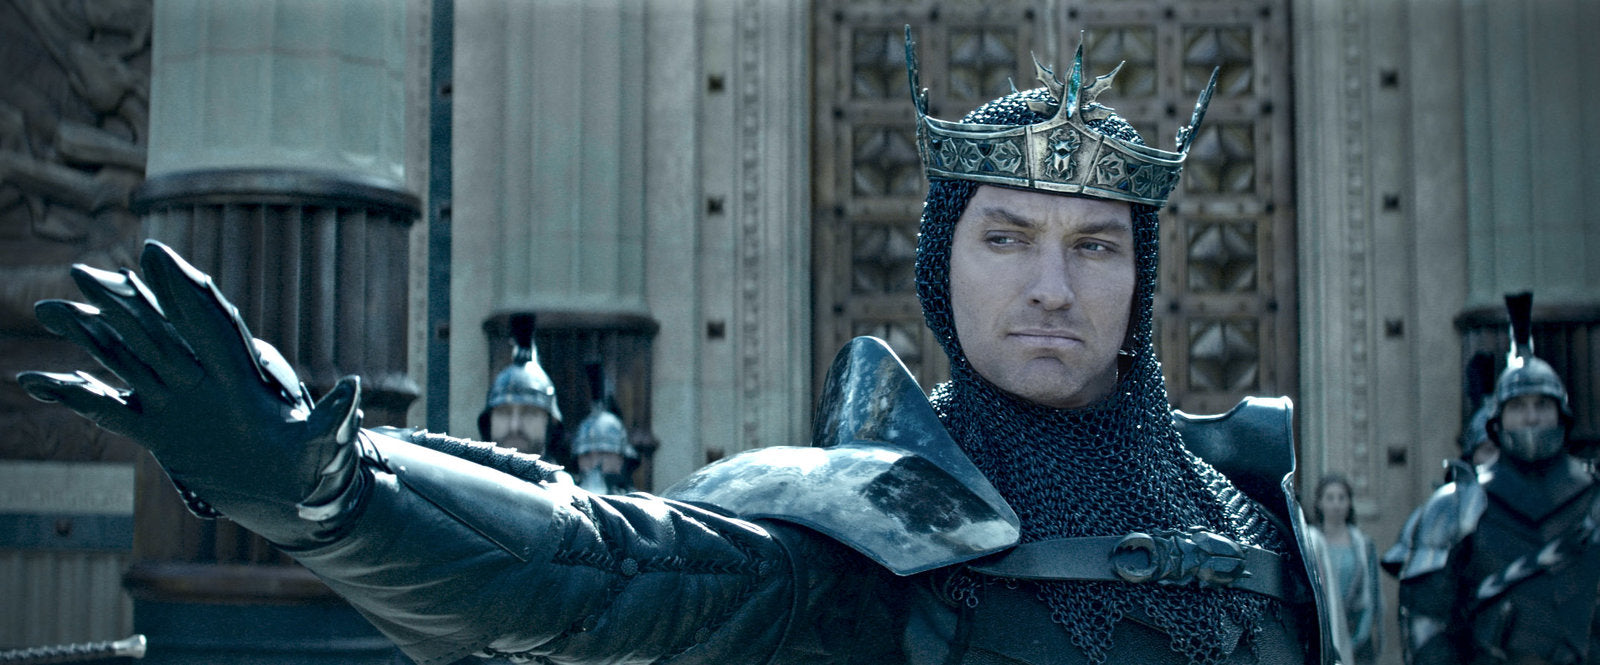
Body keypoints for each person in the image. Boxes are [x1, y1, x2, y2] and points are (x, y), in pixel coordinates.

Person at [15, 30, 1333, 665]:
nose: (1051, 285)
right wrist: (338, 495)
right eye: (1006, 237)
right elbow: (586, 564)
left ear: (1142, 281)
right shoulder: (862, 535)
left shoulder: (1270, 534)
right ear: (941, 268)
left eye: (1094, 245)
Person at [1387, 292, 1600, 664]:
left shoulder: (1594, 500)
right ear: (1497, 424)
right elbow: (1427, 622)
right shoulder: (1455, 505)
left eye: (1542, 405)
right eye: (1518, 406)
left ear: (1561, 417)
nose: (1531, 418)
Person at [1309, 475, 1381, 664]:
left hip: (1353, 629)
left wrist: (1359, 637)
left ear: (1349, 503)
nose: (1336, 504)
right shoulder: (1311, 542)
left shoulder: (1363, 545)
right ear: (1319, 503)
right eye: (1330, 498)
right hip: (1320, 628)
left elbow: (1371, 594)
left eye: (1342, 498)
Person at [478, 312, 562, 457]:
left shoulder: (563, 476)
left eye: (529, 412)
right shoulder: (463, 472)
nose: (514, 426)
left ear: (551, 423)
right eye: (504, 412)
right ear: (489, 422)